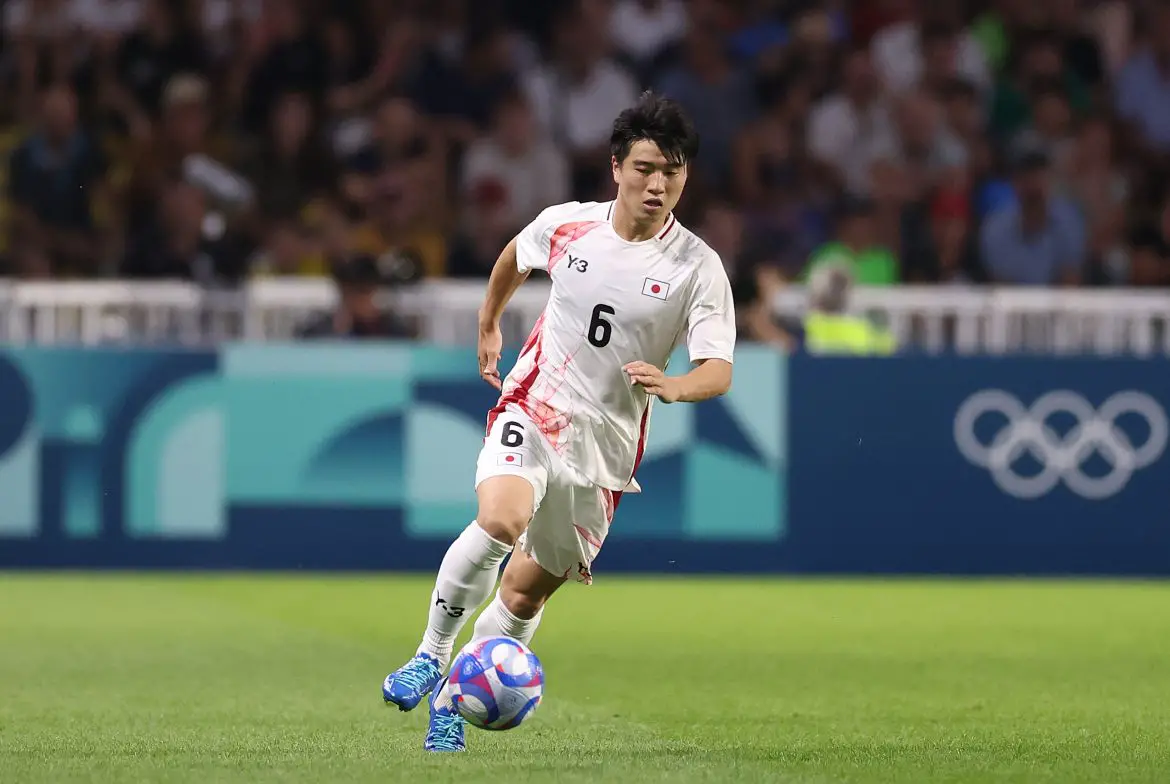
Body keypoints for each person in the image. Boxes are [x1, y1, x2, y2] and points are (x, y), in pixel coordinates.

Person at [381, 92, 736, 752]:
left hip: (605, 449)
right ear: (616, 168)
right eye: (646, 168)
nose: (658, 184)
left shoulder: (697, 267)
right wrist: (489, 325)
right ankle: (431, 652)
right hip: (536, 407)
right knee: (501, 519)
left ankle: (455, 698)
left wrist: (678, 386)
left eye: (674, 172)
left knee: (523, 595)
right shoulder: (569, 225)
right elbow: (516, 256)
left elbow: (718, 368)